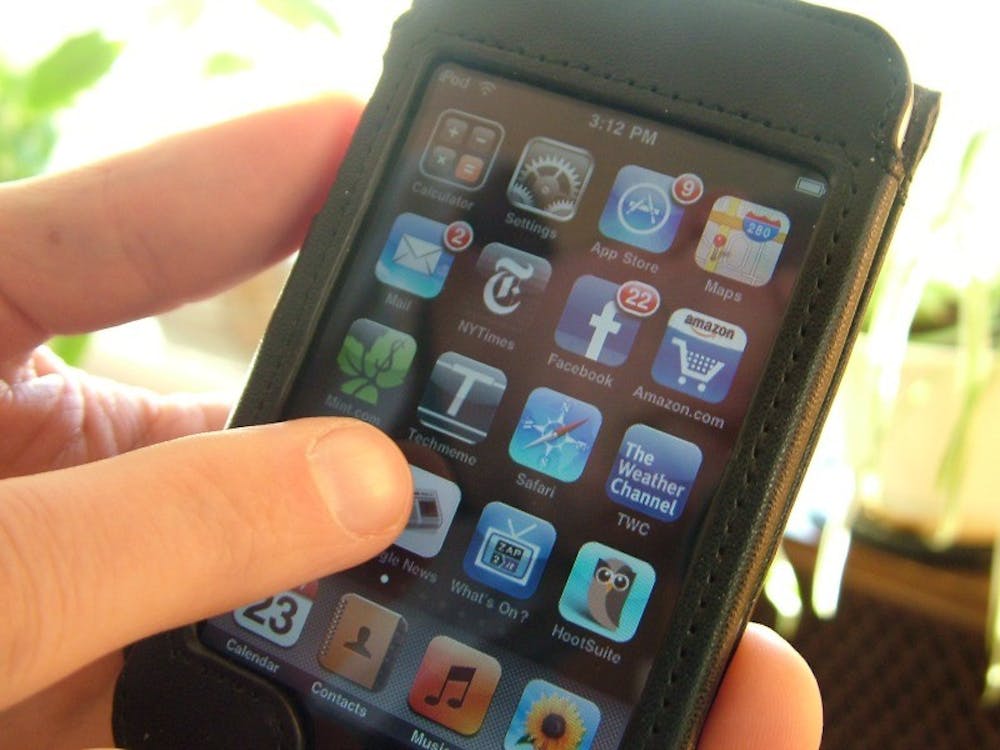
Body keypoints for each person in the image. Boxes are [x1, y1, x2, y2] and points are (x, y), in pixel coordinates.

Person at [0, 97, 822, 749]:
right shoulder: (363, 406)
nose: (743, 314)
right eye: (686, 237)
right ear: (474, 284)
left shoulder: (617, 635)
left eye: (715, 438)